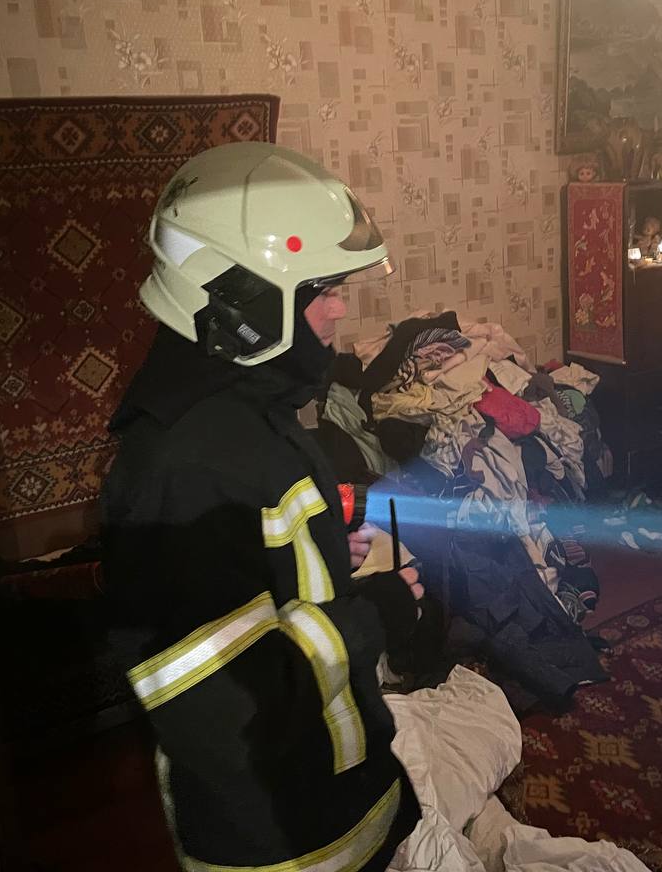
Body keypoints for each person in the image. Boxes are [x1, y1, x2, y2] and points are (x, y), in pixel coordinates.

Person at [100, 142, 424, 871]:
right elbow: (223, 710)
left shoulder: (249, 411)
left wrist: (323, 557)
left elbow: (252, 573)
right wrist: (372, 615)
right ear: (241, 301)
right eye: (323, 290)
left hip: (334, 803)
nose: (340, 309)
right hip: (284, 843)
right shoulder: (184, 468)